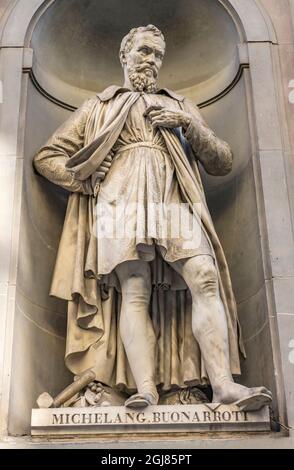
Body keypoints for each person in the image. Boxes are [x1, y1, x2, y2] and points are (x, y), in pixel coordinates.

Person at [34, 25, 272, 410]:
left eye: (158, 55)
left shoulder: (180, 105)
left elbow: (222, 160)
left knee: (205, 276)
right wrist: (84, 177)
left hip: (172, 197)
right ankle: (144, 387)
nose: (152, 61)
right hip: (119, 197)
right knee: (134, 289)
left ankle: (224, 385)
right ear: (124, 55)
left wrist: (189, 125)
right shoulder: (100, 106)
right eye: (144, 51)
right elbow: (47, 158)